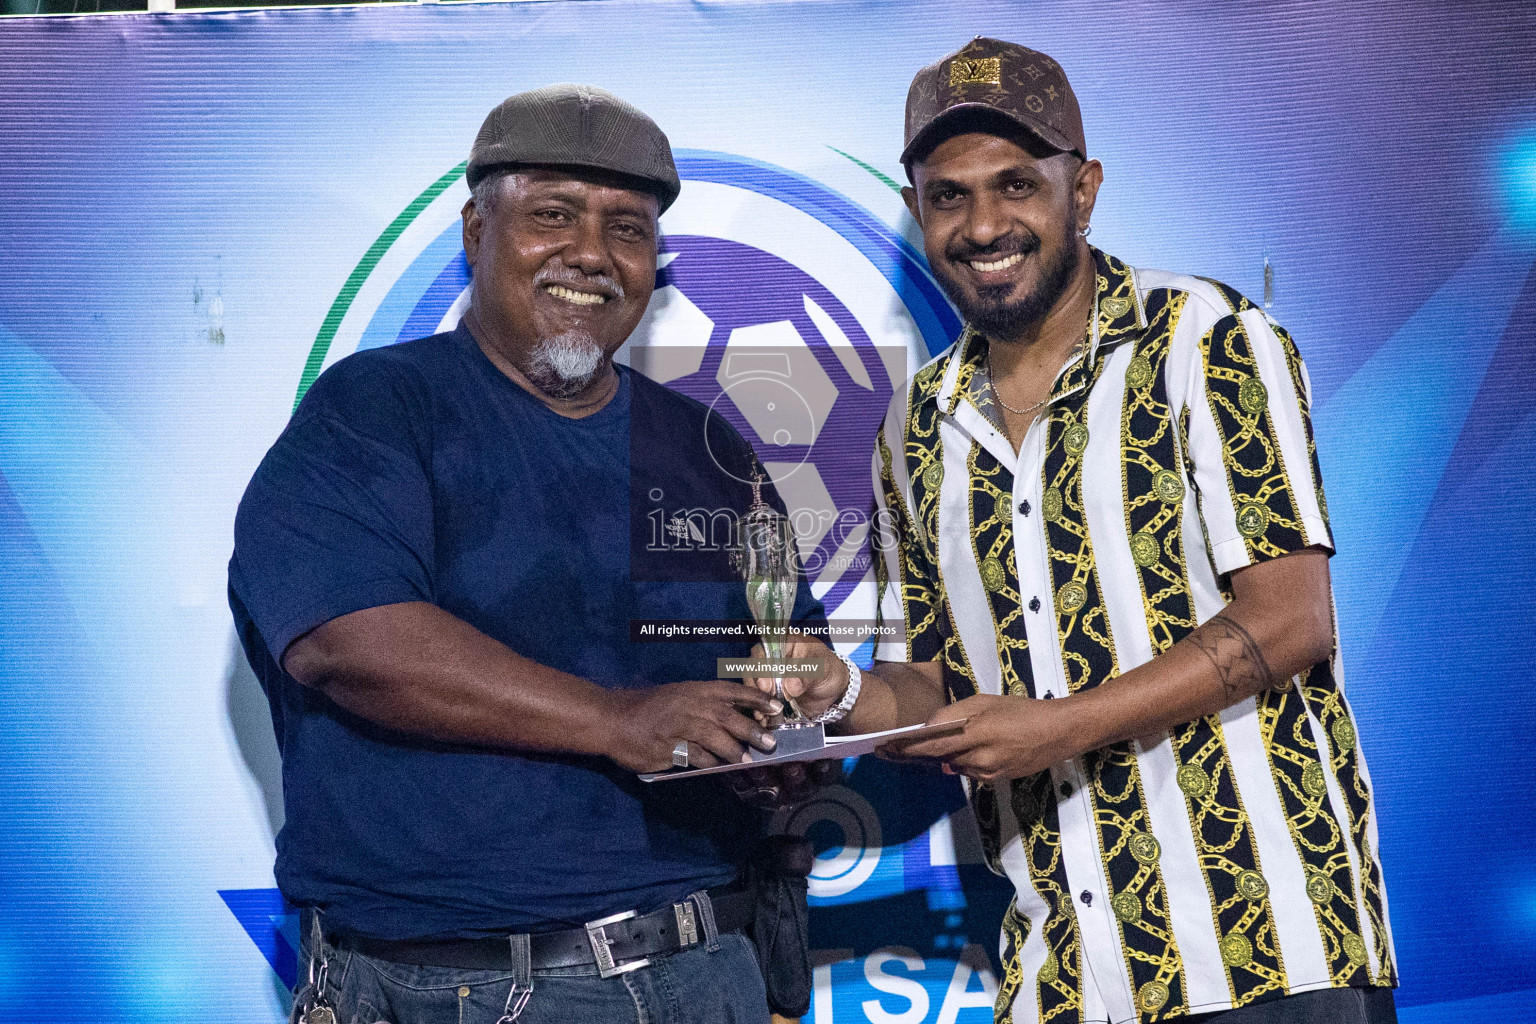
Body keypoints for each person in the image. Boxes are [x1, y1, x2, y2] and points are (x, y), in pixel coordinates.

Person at [767, 38, 1397, 1024]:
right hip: (1060, 975)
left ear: (1085, 187)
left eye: (1016, 184)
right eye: (948, 195)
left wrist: (1057, 728)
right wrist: (838, 688)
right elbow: (936, 679)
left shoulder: (1209, 340)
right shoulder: (913, 423)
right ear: (918, 208)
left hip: (1263, 951)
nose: (984, 224)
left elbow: (1289, 621)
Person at [229, 84, 829, 1024]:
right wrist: (616, 718)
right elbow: (346, 640)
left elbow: (785, 663)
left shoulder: (709, 453)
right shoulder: (377, 412)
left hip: (706, 970)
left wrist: (778, 749)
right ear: (477, 233)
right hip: (458, 985)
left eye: (627, 229)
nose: (591, 253)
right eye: (554, 215)